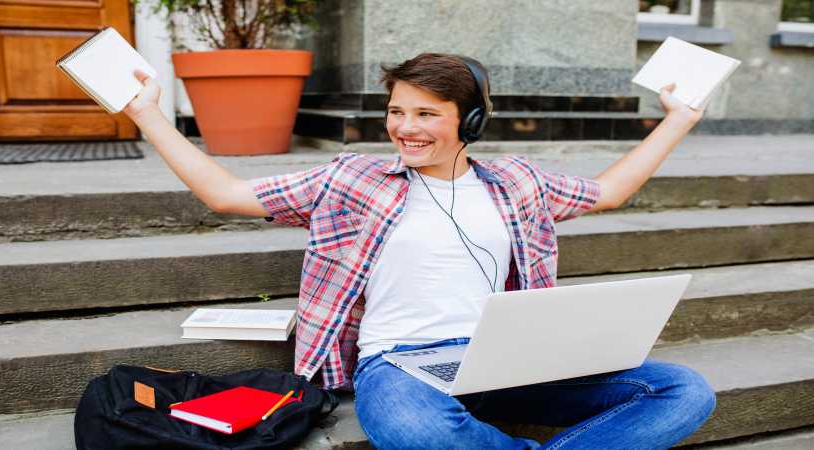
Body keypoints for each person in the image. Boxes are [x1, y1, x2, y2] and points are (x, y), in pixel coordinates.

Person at [124, 53, 716, 449]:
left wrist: (679, 120)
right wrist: (148, 113)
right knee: (412, 430)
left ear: (473, 121)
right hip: (401, 366)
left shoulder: (517, 182)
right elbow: (224, 194)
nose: (405, 128)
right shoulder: (352, 180)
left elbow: (609, 191)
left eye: (427, 114)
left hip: (507, 361)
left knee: (683, 390)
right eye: (396, 112)